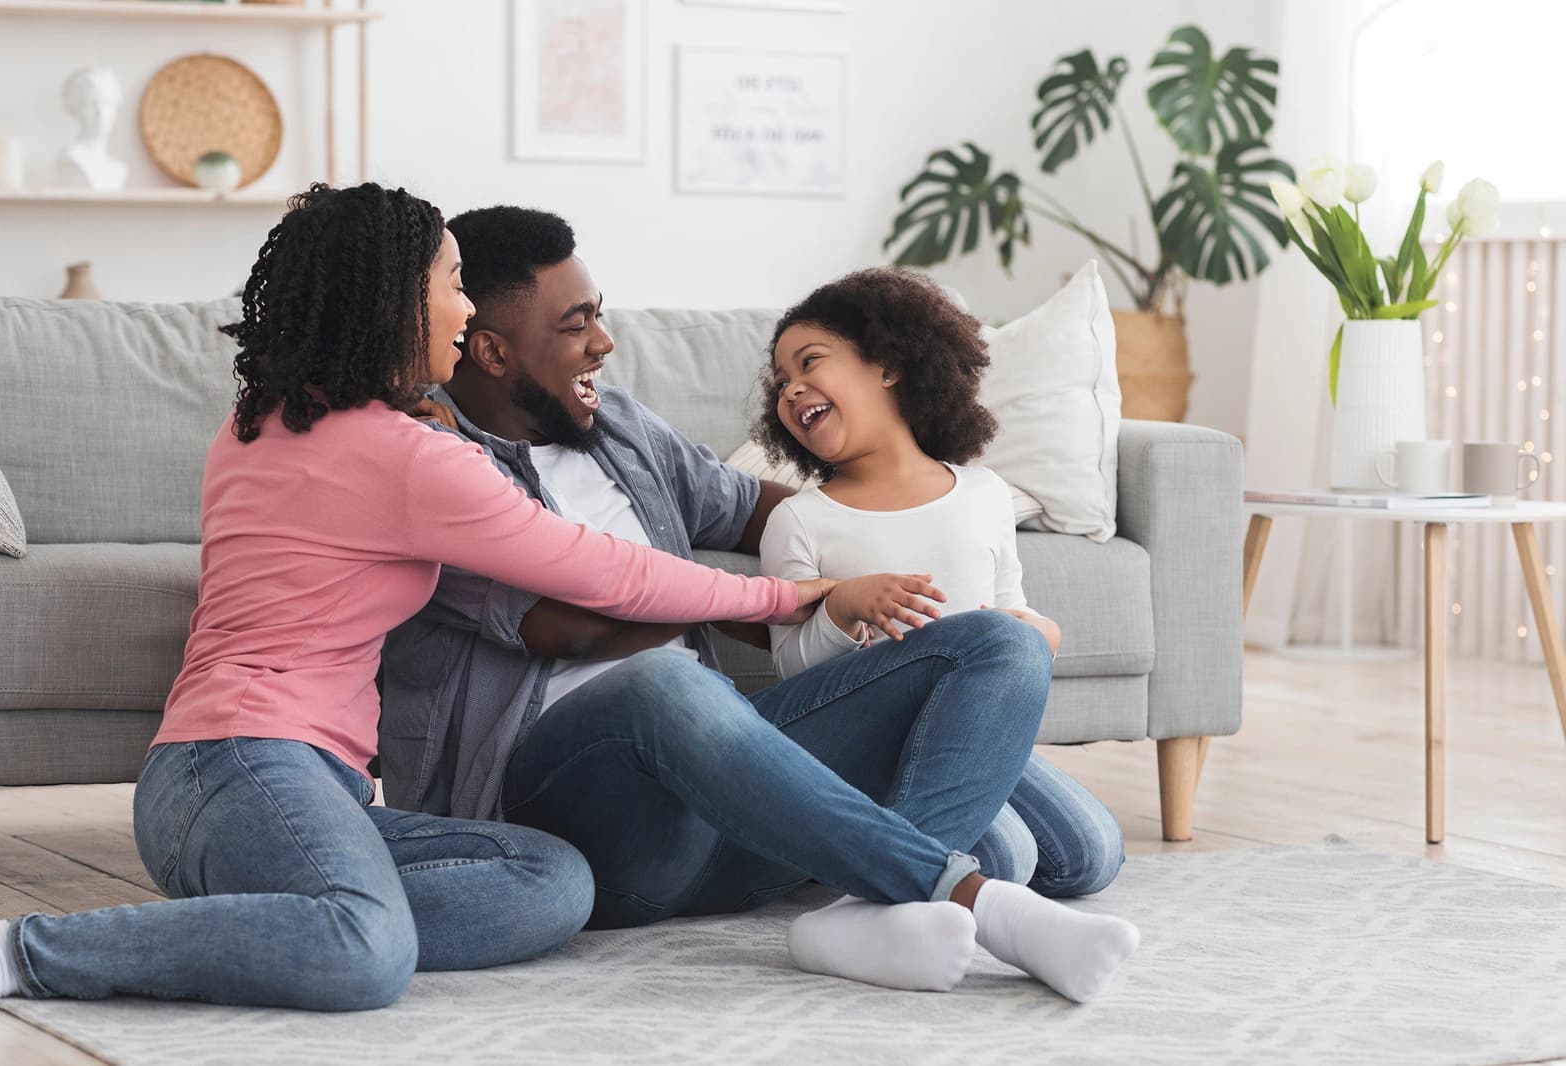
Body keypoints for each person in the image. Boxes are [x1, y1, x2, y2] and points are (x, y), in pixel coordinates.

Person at [0, 182, 842, 1013]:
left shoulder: (267, 417)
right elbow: (603, 569)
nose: (466, 311)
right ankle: (20, 950)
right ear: (395, 302)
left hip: (264, 786)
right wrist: (785, 595)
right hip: (241, 762)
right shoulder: (406, 454)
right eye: (454, 286)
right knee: (366, 951)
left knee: (552, 883)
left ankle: (274, 918)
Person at [380, 205, 1137, 1000]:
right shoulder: (434, 463)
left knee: (1001, 655)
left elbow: (753, 509)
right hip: (582, 821)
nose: (603, 342)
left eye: (598, 315)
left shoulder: (620, 427)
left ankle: (878, 913)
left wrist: (887, 545)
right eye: (576, 325)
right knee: (664, 681)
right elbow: (569, 632)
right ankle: (961, 896)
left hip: (726, 807)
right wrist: (749, 597)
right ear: (493, 350)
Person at [755, 265, 1137, 950]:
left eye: (809, 362)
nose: (791, 389)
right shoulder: (801, 521)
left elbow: (1013, 609)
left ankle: (888, 844)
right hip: (868, 742)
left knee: (1089, 855)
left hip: (969, 727)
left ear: (888, 365)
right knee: (1008, 860)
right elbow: (794, 675)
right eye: (781, 381)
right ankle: (878, 878)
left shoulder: (984, 493)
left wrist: (1038, 634)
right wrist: (843, 610)